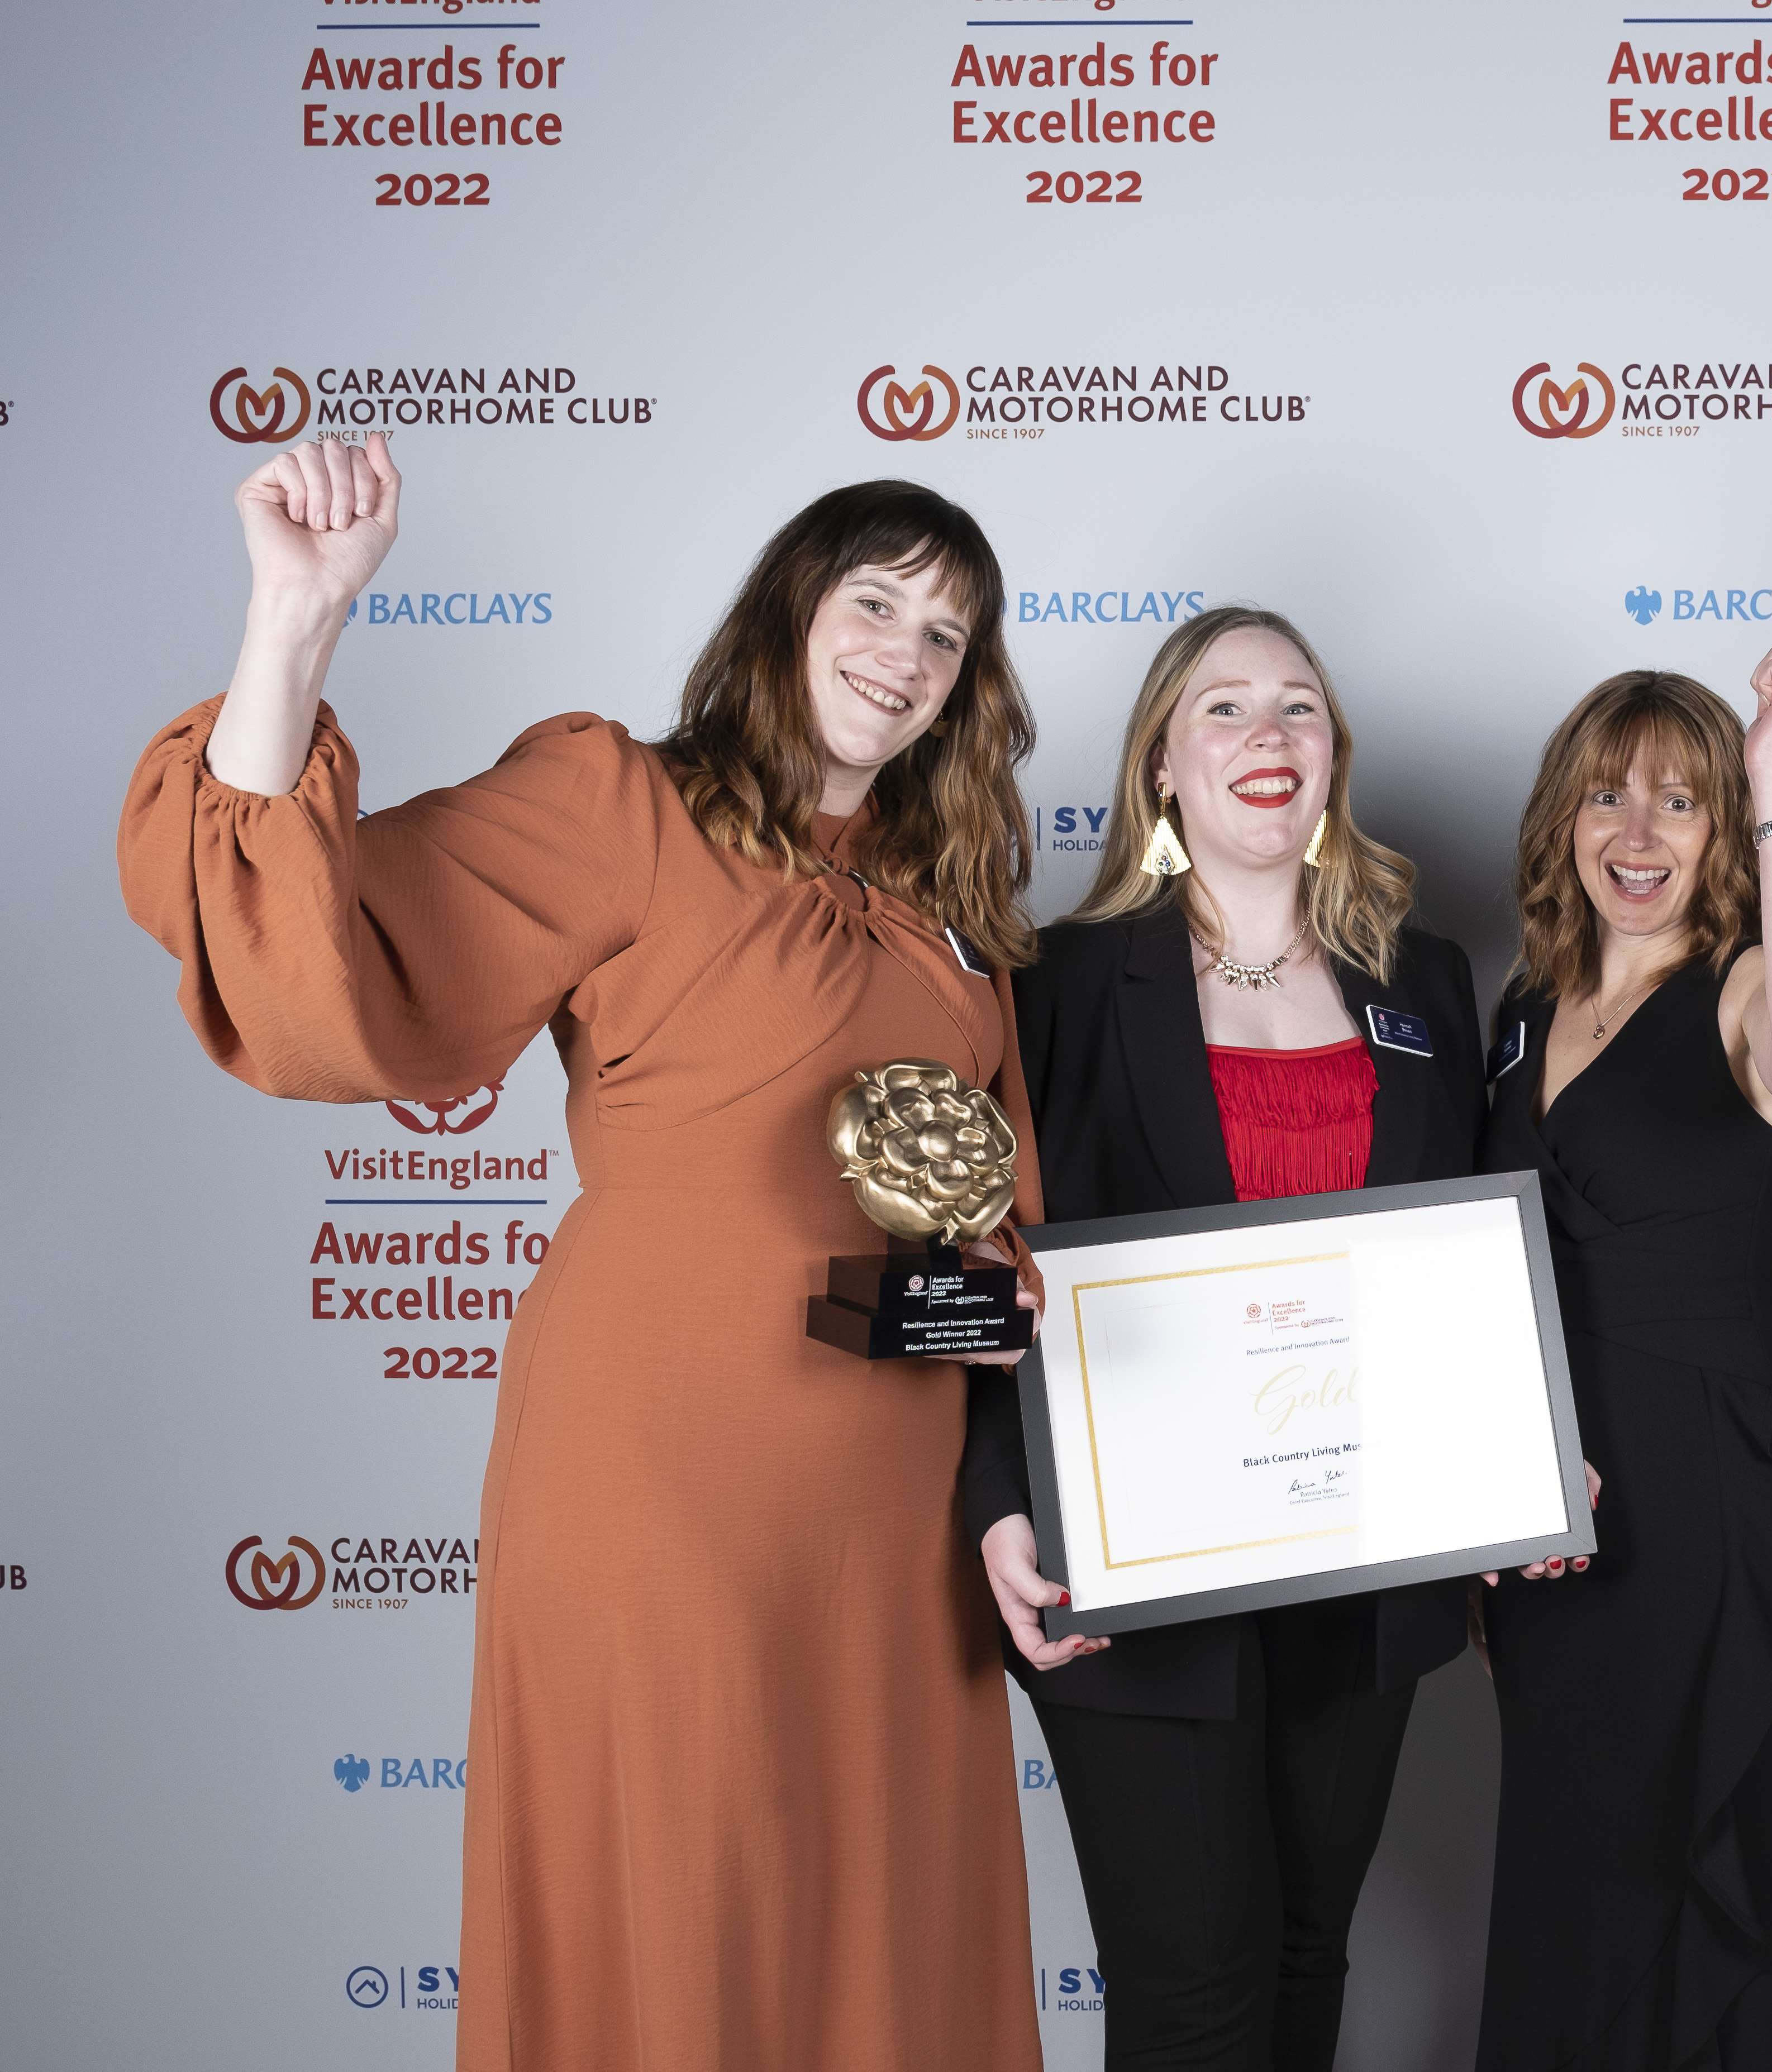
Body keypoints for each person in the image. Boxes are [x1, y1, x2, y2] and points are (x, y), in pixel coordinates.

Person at [118, 435, 1050, 2071]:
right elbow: (323, 927)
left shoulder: (950, 902)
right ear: (789, 608)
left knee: (882, 1898)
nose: (904, 655)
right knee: (682, 1870)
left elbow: (994, 1198)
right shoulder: (623, 802)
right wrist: (295, 619)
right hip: (661, 1457)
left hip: (891, 1494)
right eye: (875, 602)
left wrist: (1001, 1295)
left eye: (945, 635)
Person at [958, 606, 1486, 2071]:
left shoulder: (1424, 982)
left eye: (1298, 706)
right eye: (1225, 707)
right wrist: (997, 1497)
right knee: (1192, 1988)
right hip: (1131, 1559)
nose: (1268, 734)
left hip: (1362, 1556)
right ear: (1161, 763)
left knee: (1306, 1956)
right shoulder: (1052, 983)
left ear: (1333, 755)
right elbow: (987, 1265)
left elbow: (1464, 1266)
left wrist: (1516, 1443)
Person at [1474, 650, 1772, 2072]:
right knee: (1565, 1860)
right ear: (1561, 820)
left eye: (1678, 801)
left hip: (1696, 1488)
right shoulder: (1523, 1006)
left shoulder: (1748, 985)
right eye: (1605, 796)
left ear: (1724, 832)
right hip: (1539, 1502)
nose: (1635, 832)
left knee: (1674, 1862)